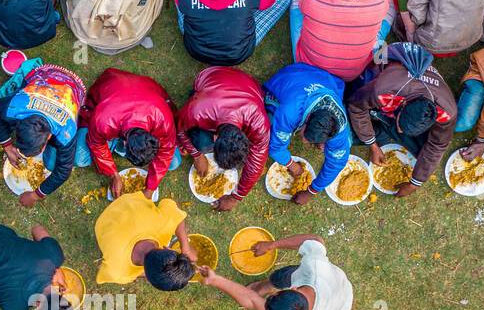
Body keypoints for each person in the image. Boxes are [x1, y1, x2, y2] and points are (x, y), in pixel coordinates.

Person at [346, 42, 458, 197]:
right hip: (385, 64)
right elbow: (356, 107)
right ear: (403, 103)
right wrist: (372, 145)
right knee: (352, 118)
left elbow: (437, 146)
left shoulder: (447, 112)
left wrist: (415, 183)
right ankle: (380, 129)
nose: (399, 129)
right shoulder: (383, 89)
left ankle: (384, 131)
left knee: (424, 155)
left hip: (413, 93)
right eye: (400, 124)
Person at [200, 234, 352, 310]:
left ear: (292, 288)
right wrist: (272, 245)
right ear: (293, 288)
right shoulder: (315, 266)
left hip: (341, 306)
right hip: (333, 282)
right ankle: (266, 285)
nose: (264, 300)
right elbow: (316, 239)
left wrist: (215, 280)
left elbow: (253, 301)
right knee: (281, 276)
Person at [0, 60, 86, 207]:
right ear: (20, 122)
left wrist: (36, 195)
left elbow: (63, 171)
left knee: (52, 163)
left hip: (72, 87)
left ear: (49, 137)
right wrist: (7, 145)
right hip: (44, 79)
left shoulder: (66, 132)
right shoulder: (17, 106)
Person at [176, 65, 271, 210]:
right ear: (215, 138)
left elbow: (257, 161)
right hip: (211, 77)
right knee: (201, 143)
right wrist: (196, 154)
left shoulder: (259, 123)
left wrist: (237, 197)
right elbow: (179, 128)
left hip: (249, 87)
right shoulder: (198, 110)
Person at [290, 0, 394, 80]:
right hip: (350, 75)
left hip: (309, 68)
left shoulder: (312, 0)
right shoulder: (377, 4)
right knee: (390, 6)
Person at [76, 68, 179, 197]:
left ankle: (113, 148)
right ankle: (113, 145)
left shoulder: (163, 119)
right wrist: (113, 174)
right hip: (112, 92)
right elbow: (96, 144)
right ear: (124, 143)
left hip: (144, 92)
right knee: (80, 158)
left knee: (174, 162)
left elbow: (166, 151)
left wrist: (150, 189)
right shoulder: (104, 120)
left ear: (153, 137)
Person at [261, 61, 350, 203]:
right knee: (267, 123)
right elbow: (275, 147)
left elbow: (337, 162)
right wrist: (291, 165)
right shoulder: (290, 111)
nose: (303, 141)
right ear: (307, 118)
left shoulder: (340, 128)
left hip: (324, 81)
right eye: (305, 136)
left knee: (345, 144)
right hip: (292, 78)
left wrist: (312, 191)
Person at [92, 183, 195, 288]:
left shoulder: (162, 223)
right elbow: (102, 274)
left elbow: (174, 208)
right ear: (147, 278)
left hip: (125, 204)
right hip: (102, 226)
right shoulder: (119, 273)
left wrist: (185, 246)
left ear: (167, 248)